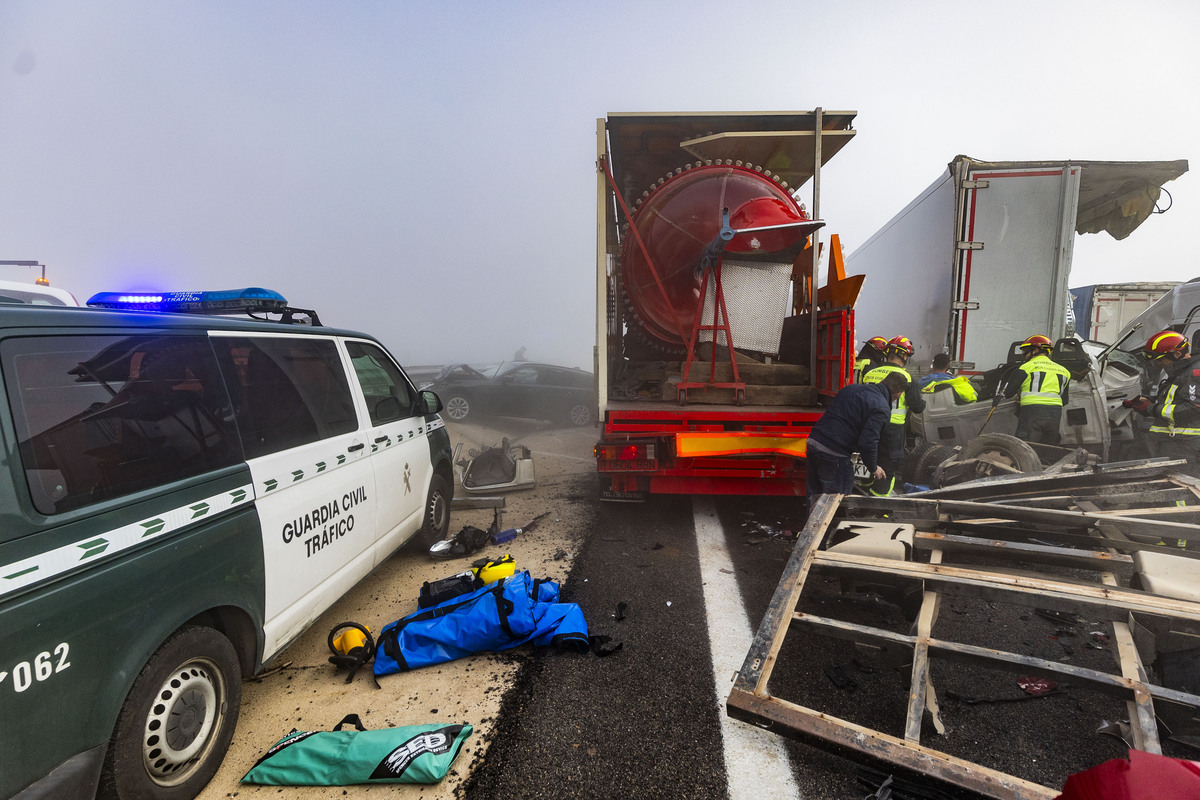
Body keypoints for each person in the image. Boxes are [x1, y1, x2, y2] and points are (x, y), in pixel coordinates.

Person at [806, 371, 908, 499]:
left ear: (882, 382)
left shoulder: (851, 389)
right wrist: (873, 467)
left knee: (815, 498)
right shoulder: (881, 407)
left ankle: (813, 519)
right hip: (834, 453)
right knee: (835, 501)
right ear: (899, 394)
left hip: (813, 442)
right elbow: (868, 441)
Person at [1127, 330, 1200, 474]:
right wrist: (1148, 402)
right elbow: (1176, 400)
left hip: (1185, 445)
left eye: (1160, 359)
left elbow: (1193, 408)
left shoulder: (1193, 374)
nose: (1158, 363)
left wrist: (1150, 408)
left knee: (1182, 489)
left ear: (1177, 354)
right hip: (1174, 443)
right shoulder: (1179, 372)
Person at [860, 336, 926, 495]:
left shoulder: (870, 373)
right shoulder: (907, 377)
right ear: (903, 356)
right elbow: (917, 407)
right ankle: (879, 509)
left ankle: (861, 495)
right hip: (892, 431)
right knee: (888, 470)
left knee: (869, 464)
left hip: (867, 427)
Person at [995, 334, 1070, 444]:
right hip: (1055, 413)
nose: (1024, 355)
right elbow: (1065, 400)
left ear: (1035, 350)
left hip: (1032, 412)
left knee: (1026, 446)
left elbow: (1009, 393)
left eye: (1026, 351)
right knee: (1049, 447)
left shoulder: (1025, 368)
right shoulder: (1064, 371)